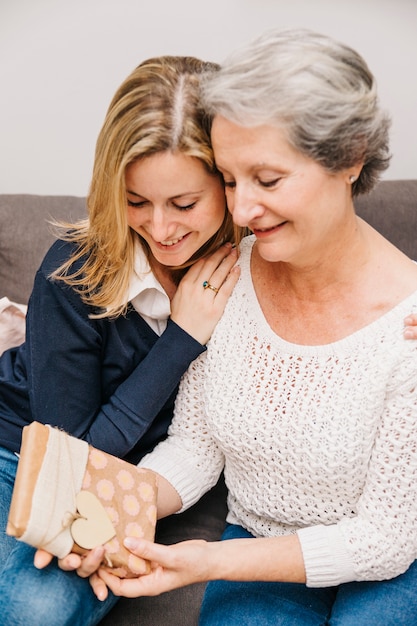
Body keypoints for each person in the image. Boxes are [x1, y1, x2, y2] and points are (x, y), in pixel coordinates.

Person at [92, 29, 417, 625]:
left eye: (267, 181)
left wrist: (209, 562)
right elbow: (196, 444)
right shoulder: (227, 277)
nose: (240, 213)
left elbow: (384, 540)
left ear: (350, 158)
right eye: (231, 181)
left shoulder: (409, 327)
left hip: (393, 560)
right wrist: (118, 513)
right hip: (256, 538)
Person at [0, 56, 243, 625]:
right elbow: (71, 462)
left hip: (137, 488)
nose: (161, 229)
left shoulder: (256, 258)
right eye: (137, 202)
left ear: (228, 186)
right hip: (19, 450)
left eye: (184, 204)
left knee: (38, 612)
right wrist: (181, 338)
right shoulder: (73, 273)